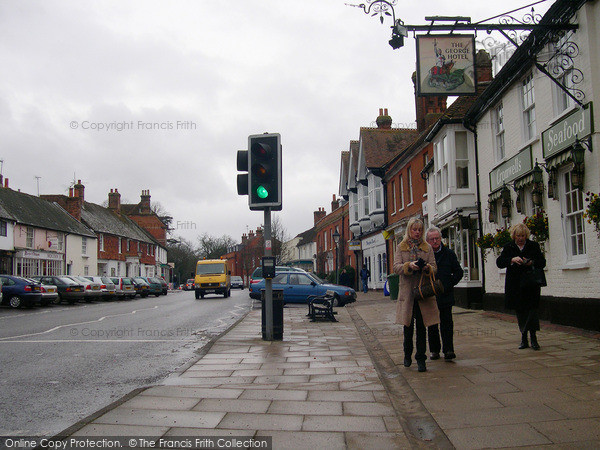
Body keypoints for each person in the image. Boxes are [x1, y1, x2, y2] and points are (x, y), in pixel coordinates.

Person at [393, 217, 440, 372]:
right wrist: (409, 266)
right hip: (407, 293)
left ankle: (421, 359)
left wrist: (427, 268)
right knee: (408, 327)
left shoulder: (427, 248)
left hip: (422, 293)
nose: (417, 232)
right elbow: (396, 267)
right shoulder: (401, 246)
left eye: (420, 230)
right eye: (414, 229)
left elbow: (434, 267)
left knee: (422, 327)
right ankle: (407, 355)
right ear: (409, 230)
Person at [496, 223, 546, 350]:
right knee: (521, 312)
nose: (521, 238)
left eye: (523, 236)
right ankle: (524, 338)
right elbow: (500, 262)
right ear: (514, 235)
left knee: (532, 311)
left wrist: (531, 262)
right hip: (516, 285)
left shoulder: (533, 246)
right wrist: (512, 260)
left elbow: (542, 262)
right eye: (518, 236)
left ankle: (533, 338)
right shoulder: (509, 247)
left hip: (531, 284)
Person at [425, 227, 464, 361]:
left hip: (445, 295)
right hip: (430, 295)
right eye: (432, 239)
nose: (435, 241)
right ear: (427, 241)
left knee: (447, 324)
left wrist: (448, 284)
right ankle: (434, 350)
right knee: (432, 324)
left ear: (441, 239)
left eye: (437, 238)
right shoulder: (425, 255)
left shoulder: (449, 254)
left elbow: (459, 272)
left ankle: (448, 350)